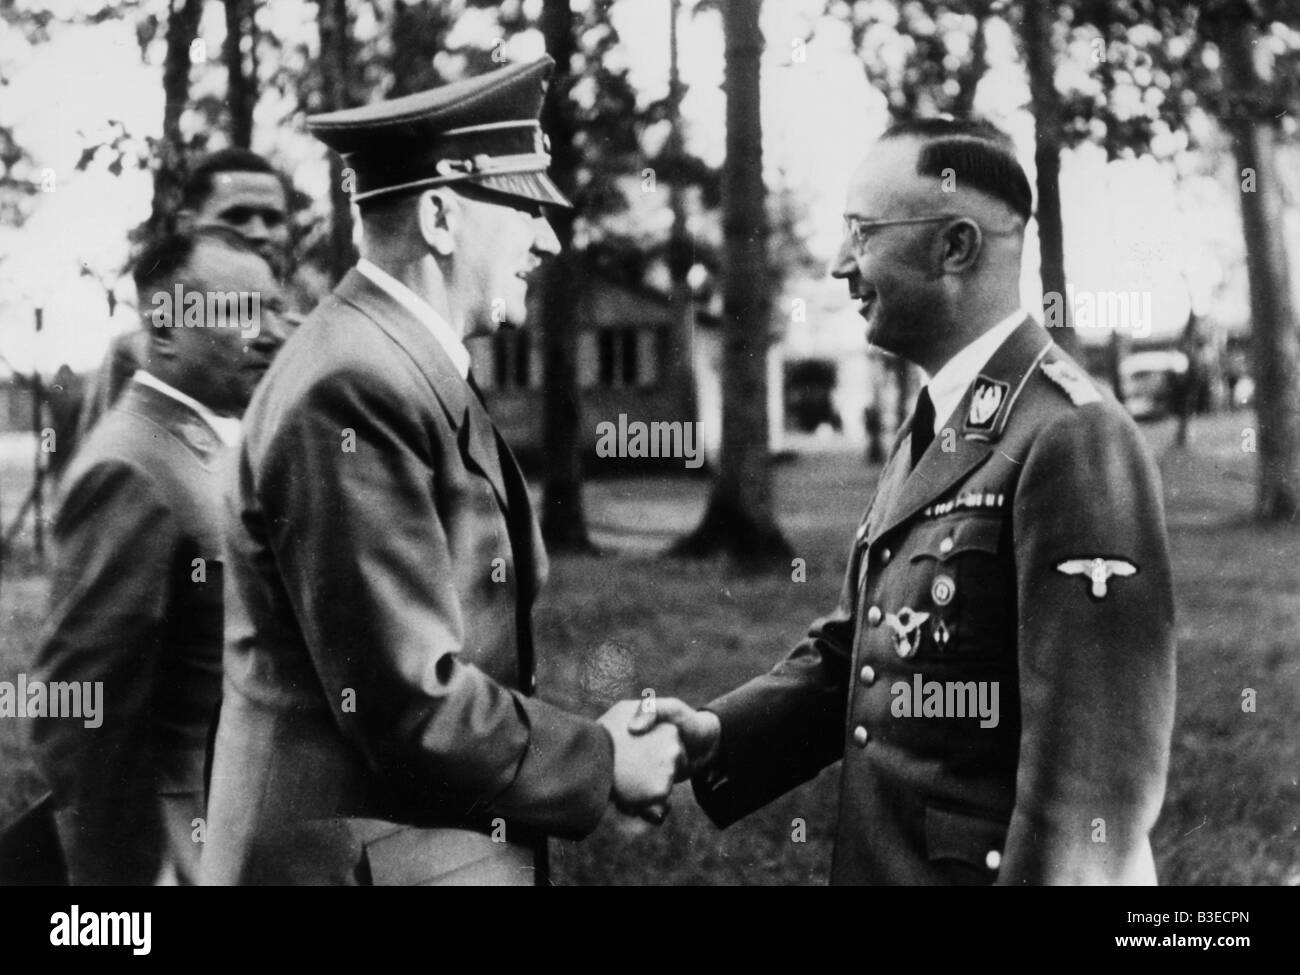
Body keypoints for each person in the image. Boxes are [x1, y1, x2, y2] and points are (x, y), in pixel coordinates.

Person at [634, 118, 1177, 885]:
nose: (837, 266)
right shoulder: (945, 419)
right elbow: (860, 654)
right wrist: (716, 733)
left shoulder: (1071, 437)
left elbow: (1092, 789)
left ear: (954, 248)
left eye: (861, 233)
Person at [199, 56, 682, 887]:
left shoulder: (397, 362)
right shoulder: (354, 384)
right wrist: (601, 760)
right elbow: (407, 699)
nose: (551, 239)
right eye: (527, 207)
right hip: (349, 859)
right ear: (439, 217)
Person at [29, 228, 289, 884]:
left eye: (273, 307)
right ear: (166, 330)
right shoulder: (133, 464)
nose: (269, 332)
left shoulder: (207, 444)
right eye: (239, 310)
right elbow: (80, 711)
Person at [71, 149, 293, 450]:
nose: (258, 233)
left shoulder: (311, 341)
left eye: (272, 219)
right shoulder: (137, 352)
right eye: (236, 216)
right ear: (188, 226)